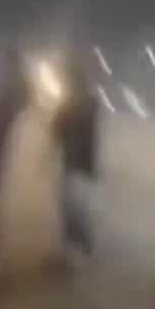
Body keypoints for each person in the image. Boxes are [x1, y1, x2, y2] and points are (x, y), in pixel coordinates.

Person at [52, 49, 101, 253]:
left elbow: (57, 130)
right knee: (78, 202)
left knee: (70, 203)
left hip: (73, 161)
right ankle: (79, 242)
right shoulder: (91, 101)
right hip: (86, 161)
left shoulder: (71, 103)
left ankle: (77, 242)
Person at [0, 47, 30, 198]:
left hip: (3, 120)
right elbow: (25, 98)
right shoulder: (14, 75)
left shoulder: (9, 75)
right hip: (3, 119)